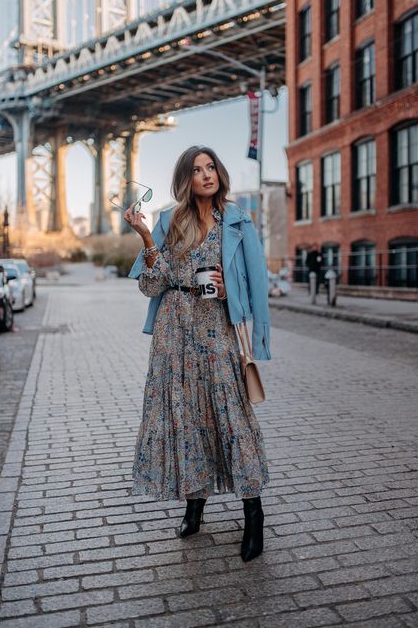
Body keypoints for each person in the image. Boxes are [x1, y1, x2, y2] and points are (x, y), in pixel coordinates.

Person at [125, 145, 271, 563]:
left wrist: (233, 295)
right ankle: (194, 507)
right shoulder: (171, 220)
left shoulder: (238, 220)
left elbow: (256, 281)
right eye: (196, 170)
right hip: (174, 332)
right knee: (186, 420)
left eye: (211, 167)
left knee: (233, 420)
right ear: (186, 180)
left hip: (218, 329)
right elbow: (153, 285)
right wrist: (146, 236)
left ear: (219, 174)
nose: (206, 175)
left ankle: (253, 513)